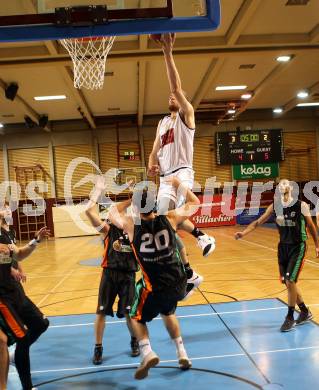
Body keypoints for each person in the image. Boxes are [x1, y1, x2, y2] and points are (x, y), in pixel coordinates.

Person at [109, 177, 200, 380]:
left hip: (155, 287)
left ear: (136, 206)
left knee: (135, 316)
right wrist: (177, 184)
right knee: (168, 312)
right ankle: (182, 353)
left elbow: (111, 212)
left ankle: (147, 352)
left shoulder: (131, 225)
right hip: (178, 284)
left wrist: (130, 198)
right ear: (156, 203)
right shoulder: (169, 218)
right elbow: (195, 203)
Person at [147, 33, 215, 298]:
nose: (171, 96)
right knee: (163, 222)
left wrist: (167, 51)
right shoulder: (162, 123)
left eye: (176, 95)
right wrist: (152, 165)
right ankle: (192, 268)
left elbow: (176, 87)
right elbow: (154, 150)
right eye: (170, 96)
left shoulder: (187, 116)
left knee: (171, 219)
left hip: (182, 173)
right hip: (164, 178)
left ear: (183, 99)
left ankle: (198, 244)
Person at [235, 179, 319, 332]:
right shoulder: (275, 206)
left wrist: (318, 246)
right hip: (283, 248)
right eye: (280, 184)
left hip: (298, 246)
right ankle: (305, 312)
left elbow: (312, 227)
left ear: (291, 188)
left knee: (290, 280)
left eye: (285, 184)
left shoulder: (302, 205)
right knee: (288, 283)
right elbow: (258, 222)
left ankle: (289, 317)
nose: (282, 186)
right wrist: (243, 233)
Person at [85, 184, 139, 365]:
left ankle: (134, 341)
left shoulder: (136, 231)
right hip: (109, 274)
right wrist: (98, 192)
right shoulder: (109, 230)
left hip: (129, 276)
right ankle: (98, 347)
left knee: (130, 314)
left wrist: (136, 198)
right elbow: (89, 214)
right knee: (101, 312)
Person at [0, 204, 50, 390]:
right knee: (19, 338)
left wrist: (35, 241)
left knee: (40, 324)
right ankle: (27, 387)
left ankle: (15, 357)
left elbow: (19, 254)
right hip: (2, 296)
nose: (5, 209)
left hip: (14, 291)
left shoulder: (5, 233)